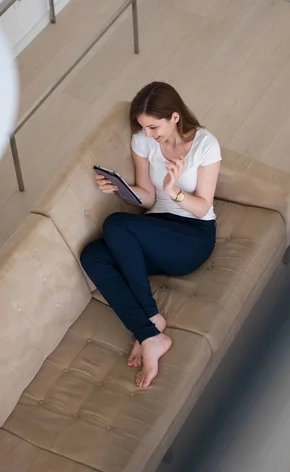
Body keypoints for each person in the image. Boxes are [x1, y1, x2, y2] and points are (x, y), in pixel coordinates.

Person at [80, 82, 221, 388]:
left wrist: (175, 192)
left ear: (174, 116)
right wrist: (122, 190)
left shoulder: (205, 145)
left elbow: (203, 207)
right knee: (92, 255)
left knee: (116, 224)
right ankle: (149, 336)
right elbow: (147, 196)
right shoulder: (143, 142)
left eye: (153, 127)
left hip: (192, 237)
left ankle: (151, 316)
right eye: (143, 127)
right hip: (157, 227)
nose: (147, 134)